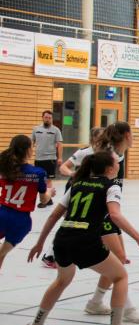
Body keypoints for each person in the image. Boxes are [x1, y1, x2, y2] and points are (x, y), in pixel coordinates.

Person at [25, 151, 139, 325]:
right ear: (110, 168)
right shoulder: (111, 186)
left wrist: (39, 243)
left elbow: (54, 216)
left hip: (62, 239)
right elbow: (115, 215)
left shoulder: (77, 184)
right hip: (85, 240)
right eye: (117, 162)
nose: (119, 165)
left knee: (61, 281)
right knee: (120, 276)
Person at [78, 122, 139, 323]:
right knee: (117, 259)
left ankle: (95, 302)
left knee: (118, 260)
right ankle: (127, 310)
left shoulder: (118, 155)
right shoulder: (108, 156)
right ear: (127, 135)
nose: (134, 137)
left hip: (108, 212)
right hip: (100, 215)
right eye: (133, 134)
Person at [38, 127, 105, 269]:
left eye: (104, 138)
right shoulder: (84, 152)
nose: (102, 141)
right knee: (69, 221)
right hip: (76, 188)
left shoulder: (106, 154)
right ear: (93, 139)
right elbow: (63, 167)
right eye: (99, 138)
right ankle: (50, 255)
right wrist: (73, 174)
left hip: (91, 190)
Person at [0, 136, 55, 271]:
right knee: (1, 253)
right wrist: (50, 192)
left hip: (2, 213)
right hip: (21, 220)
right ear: (29, 150)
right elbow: (44, 200)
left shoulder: (5, 169)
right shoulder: (37, 173)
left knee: (1, 255)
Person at [31, 110, 63, 205]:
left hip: (50, 159)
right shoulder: (36, 129)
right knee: (39, 180)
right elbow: (31, 142)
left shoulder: (56, 130)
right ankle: (44, 198)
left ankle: (47, 200)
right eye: (46, 117)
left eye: (49, 118)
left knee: (48, 180)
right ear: (42, 118)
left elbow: (60, 144)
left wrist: (60, 157)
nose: (48, 119)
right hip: (38, 159)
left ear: (51, 119)